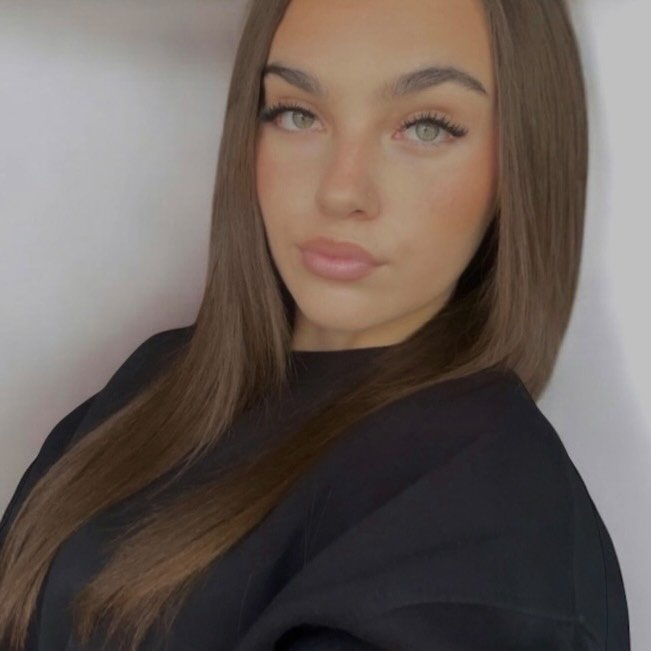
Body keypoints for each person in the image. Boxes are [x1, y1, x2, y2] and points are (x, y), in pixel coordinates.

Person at [0, 0, 630, 649]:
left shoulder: (498, 519)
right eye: (298, 114)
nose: (339, 189)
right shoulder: (155, 384)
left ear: (520, 161)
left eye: (426, 127)